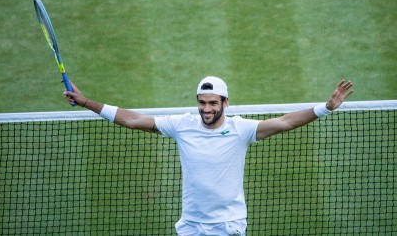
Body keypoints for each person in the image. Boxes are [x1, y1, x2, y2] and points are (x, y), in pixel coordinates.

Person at [64, 76, 353, 236]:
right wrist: (87, 101)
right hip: (190, 225)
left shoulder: (241, 129)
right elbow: (131, 120)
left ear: (226, 103)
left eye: (213, 103)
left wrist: (325, 108)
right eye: (202, 103)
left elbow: (285, 121)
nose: (207, 109)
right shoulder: (182, 125)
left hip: (227, 227)